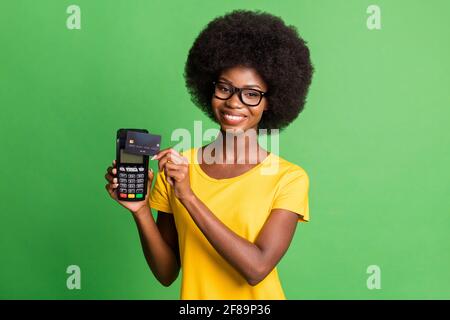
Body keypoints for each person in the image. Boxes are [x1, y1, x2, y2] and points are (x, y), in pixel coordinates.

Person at [105, 9, 314, 299]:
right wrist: (140, 211)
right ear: (209, 88)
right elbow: (166, 273)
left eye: (251, 93)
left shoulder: (288, 179)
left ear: (270, 102)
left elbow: (256, 268)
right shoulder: (177, 168)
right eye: (224, 88)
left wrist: (189, 197)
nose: (234, 102)